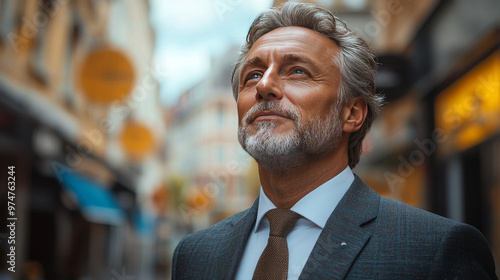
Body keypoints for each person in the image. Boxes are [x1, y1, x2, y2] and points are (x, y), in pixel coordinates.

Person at [172, 2, 498, 279]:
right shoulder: (196, 255)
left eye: (297, 71)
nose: (264, 86)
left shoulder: (434, 252)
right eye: (252, 75)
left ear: (352, 113)